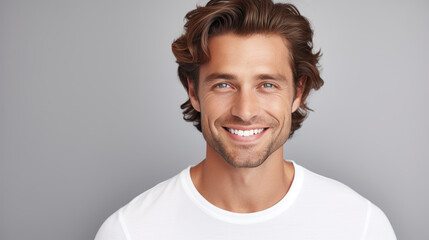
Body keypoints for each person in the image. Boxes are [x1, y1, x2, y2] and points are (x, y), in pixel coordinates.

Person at [95, 0, 396, 239]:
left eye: (267, 85)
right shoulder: (130, 231)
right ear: (194, 91)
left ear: (298, 92)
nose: (245, 110)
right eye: (223, 84)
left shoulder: (360, 227)